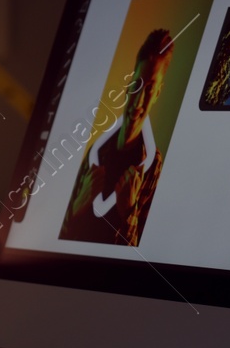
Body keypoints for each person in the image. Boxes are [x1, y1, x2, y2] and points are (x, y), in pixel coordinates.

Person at [60, 28, 174, 246]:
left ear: (158, 93)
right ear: (129, 83)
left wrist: (128, 213)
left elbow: (137, 262)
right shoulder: (97, 151)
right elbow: (60, 236)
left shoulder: (153, 166)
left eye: (149, 89)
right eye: (138, 84)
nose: (139, 101)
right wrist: (76, 209)